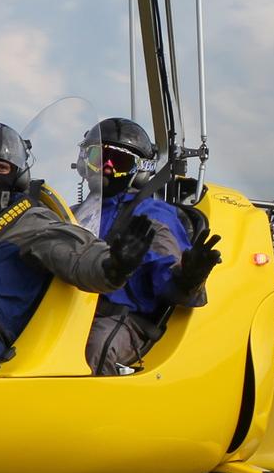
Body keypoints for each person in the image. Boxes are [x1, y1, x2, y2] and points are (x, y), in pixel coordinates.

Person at [0, 121, 155, 375]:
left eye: (1, 167)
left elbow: (76, 253)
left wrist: (112, 266)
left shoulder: (33, 221)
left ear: (18, 175)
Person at [75, 118, 222, 373]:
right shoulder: (72, 213)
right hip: (68, 312)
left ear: (140, 170)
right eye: (98, 157)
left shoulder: (151, 215)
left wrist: (188, 279)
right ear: (82, 162)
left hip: (119, 319)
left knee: (93, 349)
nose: (106, 168)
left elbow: (168, 279)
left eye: (118, 162)